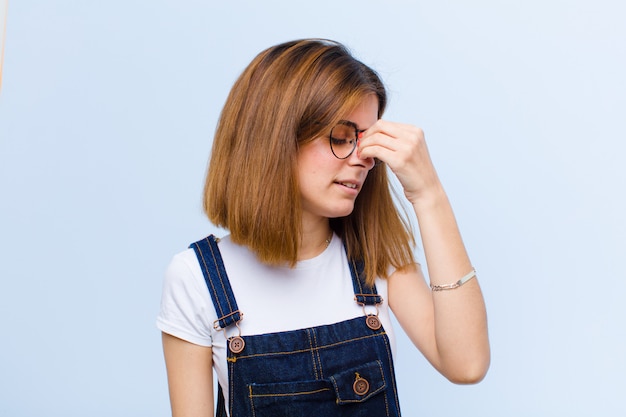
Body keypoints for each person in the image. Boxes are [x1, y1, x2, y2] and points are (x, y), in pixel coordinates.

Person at [157, 38, 490, 417]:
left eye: (367, 143)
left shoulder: (374, 259)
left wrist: (429, 194)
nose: (362, 159)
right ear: (274, 137)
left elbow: (467, 365)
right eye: (341, 138)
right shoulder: (197, 278)